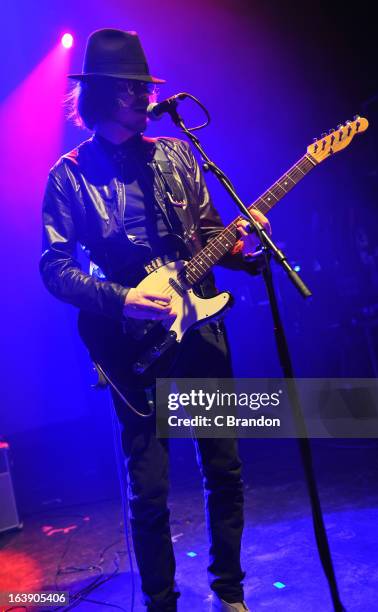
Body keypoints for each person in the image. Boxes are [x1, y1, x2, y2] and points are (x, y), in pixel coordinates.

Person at [40, 28, 271, 612]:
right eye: (133, 88)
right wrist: (121, 299)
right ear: (104, 93)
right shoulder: (69, 175)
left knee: (226, 469)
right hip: (132, 348)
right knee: (150, 492)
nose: (145, 96)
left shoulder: (176, 155)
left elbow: (213, 234)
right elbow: (55, 267)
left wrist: (244, 251)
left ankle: (230, 593)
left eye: (146, 86)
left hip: (200, 331)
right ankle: (162, 603)